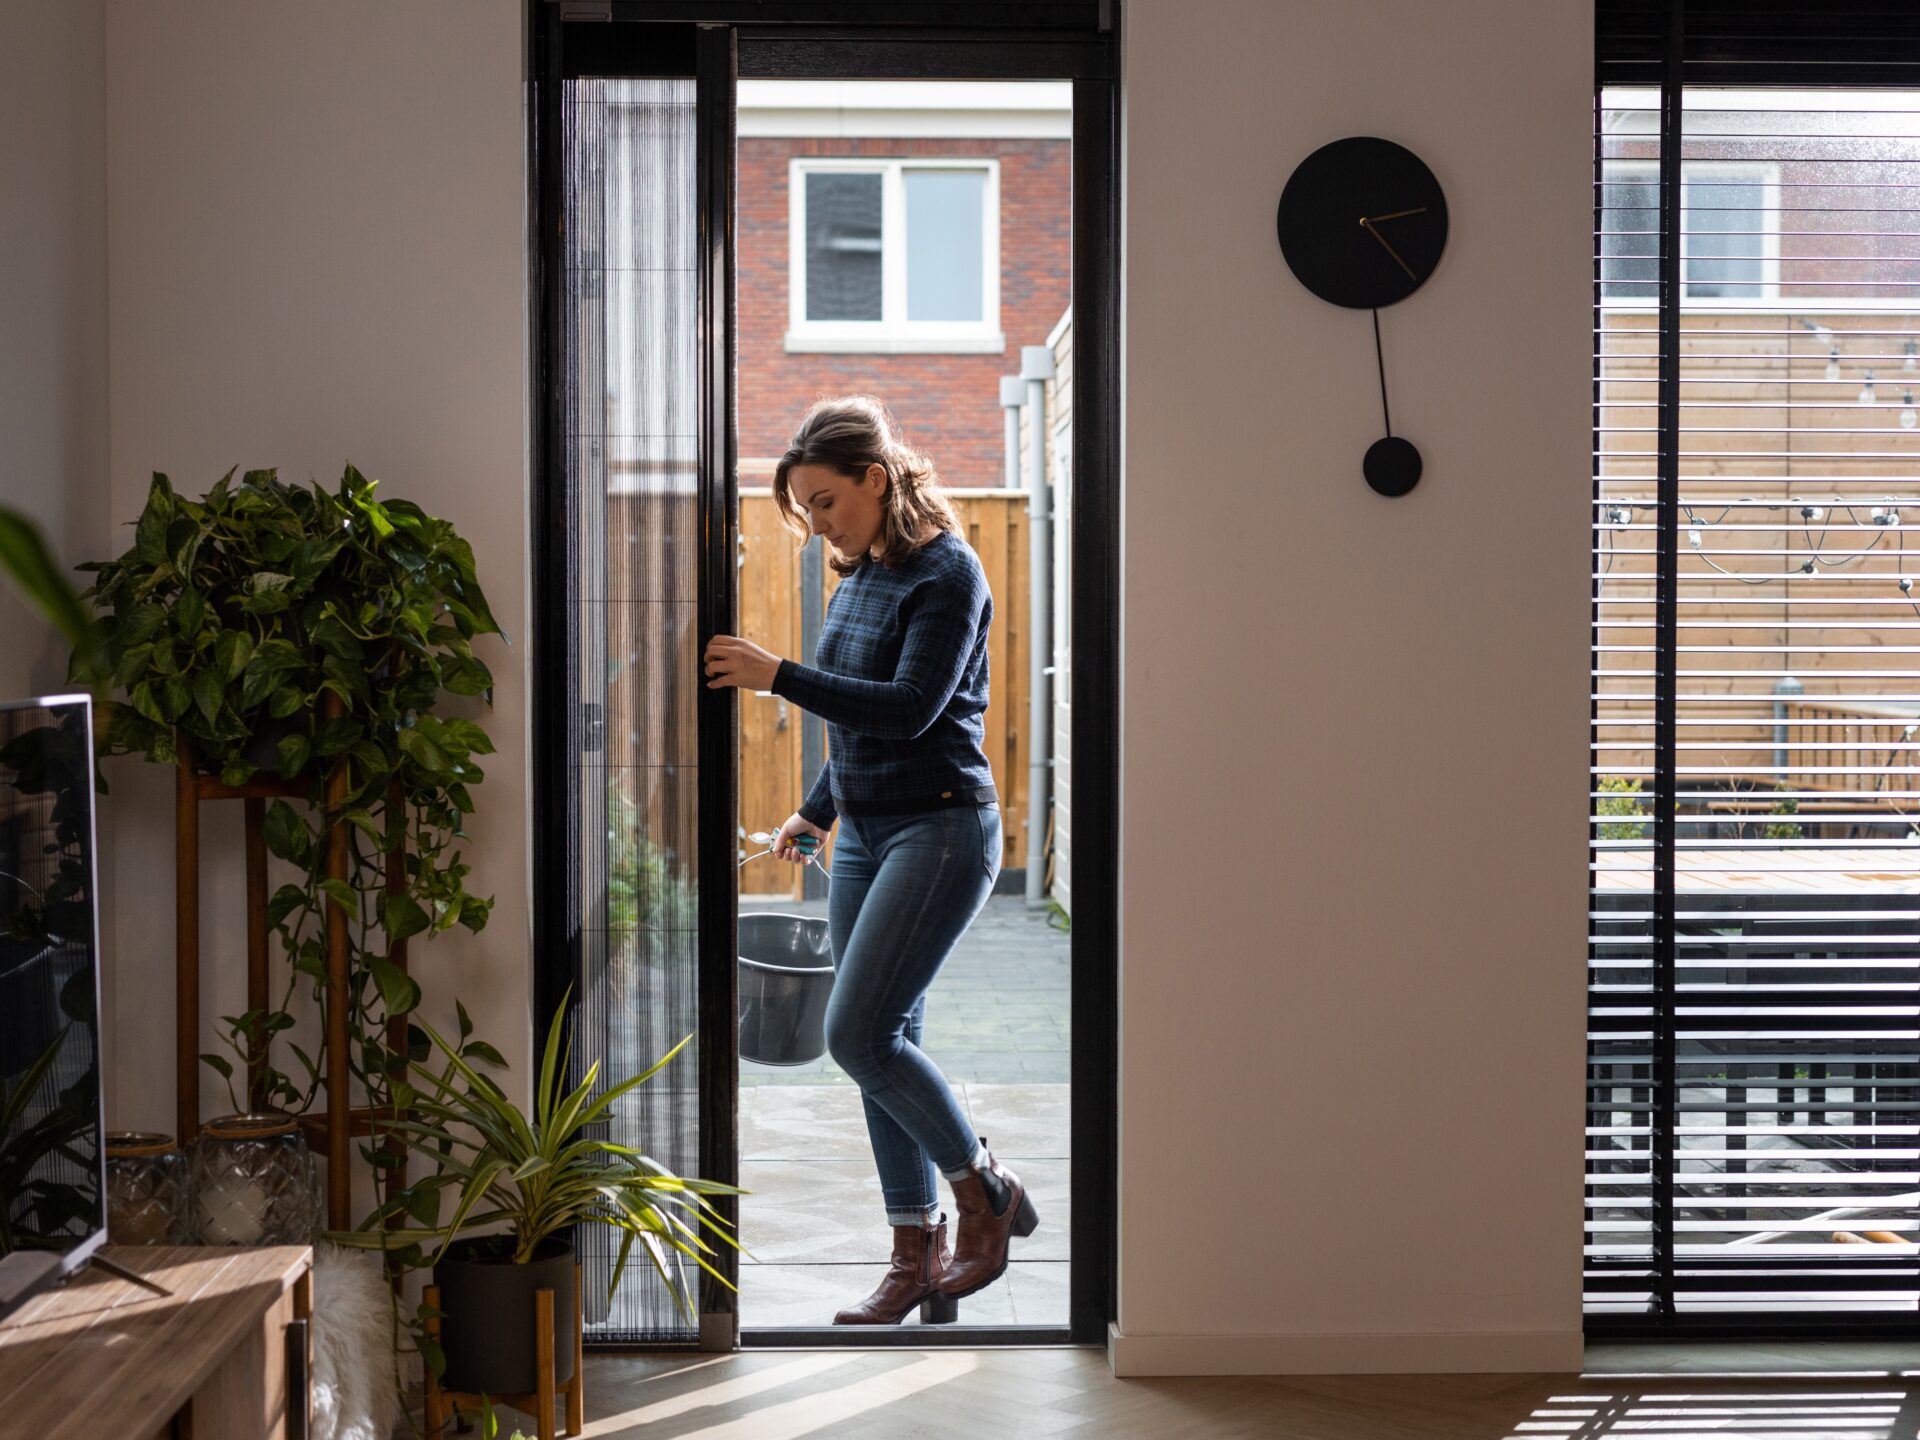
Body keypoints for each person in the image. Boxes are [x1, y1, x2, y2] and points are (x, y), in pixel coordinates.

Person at [702, 394, 1040, 1326]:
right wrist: (814, 813)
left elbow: (906, 708)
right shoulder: (863, 576)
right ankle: (916, 1257)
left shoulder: (949, 574)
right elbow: (855, 721)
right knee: (887, 1047)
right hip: (867, 833)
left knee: (857, 1035)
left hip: (940, 830)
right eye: (805, 509)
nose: (816, 525)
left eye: (824, 503)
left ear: (876, 480)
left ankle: (986, 1193)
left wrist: (777, 675)